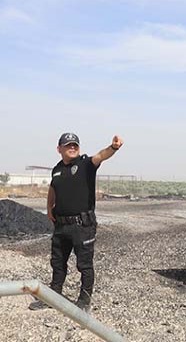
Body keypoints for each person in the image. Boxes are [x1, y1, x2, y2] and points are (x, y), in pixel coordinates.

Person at [29, 133, 123, 312]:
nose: (72, 148)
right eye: (68, 145)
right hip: (61, 226)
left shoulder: (86, 164)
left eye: (75, 145)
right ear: (59, 149)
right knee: (57, 263)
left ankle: (84, 302)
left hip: (82, 226)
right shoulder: (56, 169)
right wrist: (49, 207)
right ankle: (52, 297)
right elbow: (53, 188)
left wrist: (113, 148)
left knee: (84, 265)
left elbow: (101, 156)